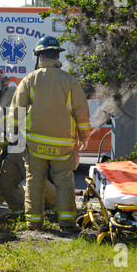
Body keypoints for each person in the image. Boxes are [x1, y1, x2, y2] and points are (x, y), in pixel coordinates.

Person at [9, 36, 90, 232]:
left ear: (39, 56)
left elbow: (16, 111)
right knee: (64, 182)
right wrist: (84, 137)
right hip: (63, 146)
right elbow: (82, 112)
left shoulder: (30, 79)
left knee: (35, 181)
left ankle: (34, 223)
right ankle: (68, 223)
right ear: (57, 55)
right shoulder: (70, 81)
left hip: (35, 145)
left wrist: (15, 138)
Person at [0, 66, 56, 215]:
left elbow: (14, 119)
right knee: (5, 182)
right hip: (11, 148)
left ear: (3, 82)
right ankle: (19, 212)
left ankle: (62, 207)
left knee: (36, 181)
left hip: (24, 144)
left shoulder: (13, 93)